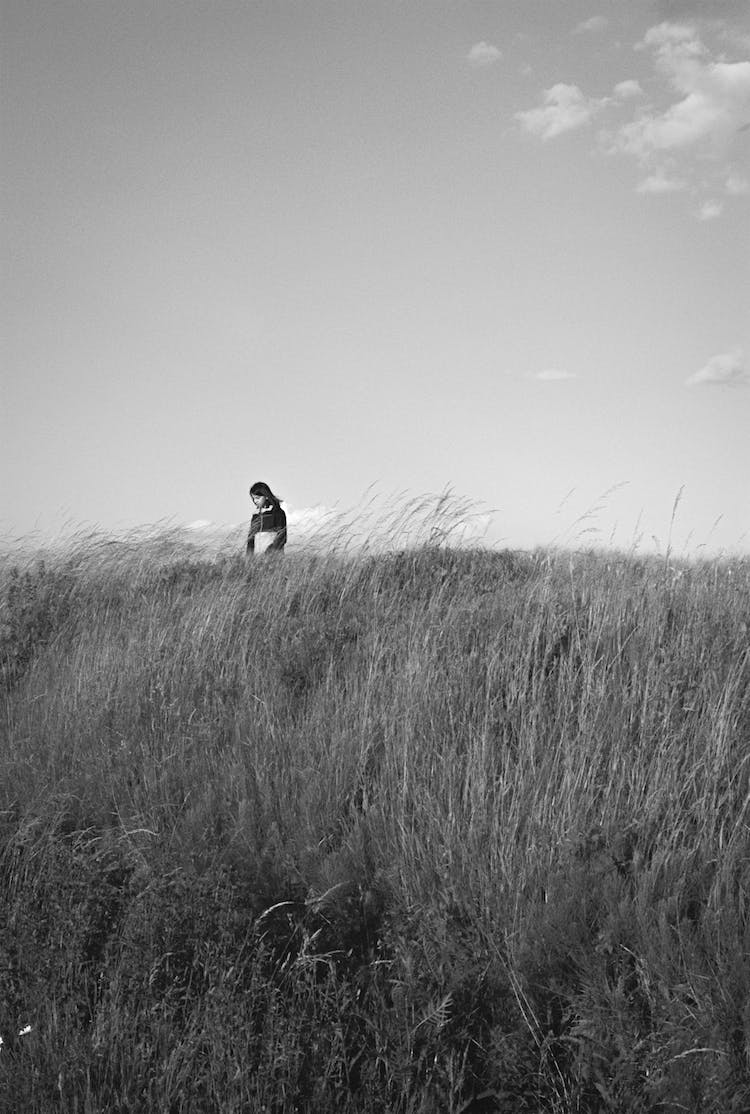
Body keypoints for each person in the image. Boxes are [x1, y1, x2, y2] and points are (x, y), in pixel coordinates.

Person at [246, 481, 287, 555]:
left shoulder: (278, 513)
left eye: (257, 498)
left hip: (274, 557)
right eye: (253, 498)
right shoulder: (255, 515)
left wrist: (270, 553)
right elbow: (251, 539)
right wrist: (249, 557)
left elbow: (282, 536)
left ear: (266, 496)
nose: (255, 501)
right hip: (257, 559)